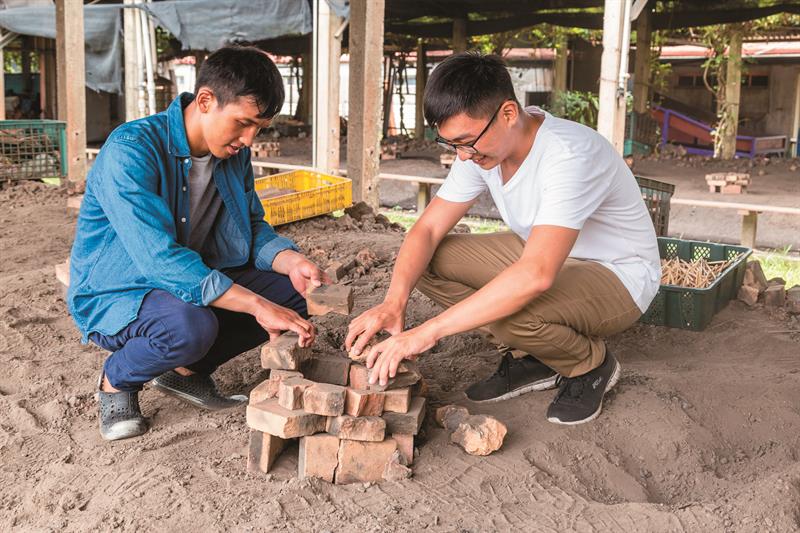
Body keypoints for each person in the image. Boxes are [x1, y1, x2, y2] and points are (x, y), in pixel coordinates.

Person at [346, 52, 660, 425]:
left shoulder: (569, 155)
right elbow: (426, 230)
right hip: (544, 254)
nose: (463, 156)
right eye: (453, 145)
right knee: (424, 263)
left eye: (467, 142)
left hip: (618, 273)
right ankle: (536, 356)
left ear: (508, 113)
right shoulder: (483, 149)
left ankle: (588, 364)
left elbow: (536, 275)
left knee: (513, 312)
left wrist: (426, 333)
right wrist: (393, 303)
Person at [68, 46, 325, 441]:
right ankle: (116, 381)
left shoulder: (233, 156)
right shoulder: (131, 150)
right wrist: (257, 305)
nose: (249, 138)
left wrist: (290, 261)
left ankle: (185, 372)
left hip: (191, 278)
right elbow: (159, 260)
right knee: (190, 326)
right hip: (121, 291)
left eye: (259, 127)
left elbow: (250, 227)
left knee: (296, 295)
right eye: (243, 122)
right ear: (205, 100)